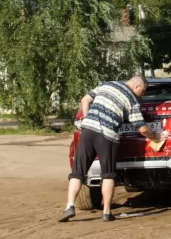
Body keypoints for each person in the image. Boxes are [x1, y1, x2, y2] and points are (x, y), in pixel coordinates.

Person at [58, 75, 165, 222]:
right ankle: (107, 212)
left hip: (88, 130)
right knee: (108, 174)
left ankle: (69, 206)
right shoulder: (131, 99)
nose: (142, 95)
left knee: (77, 172)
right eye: (143, 91)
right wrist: (155, 137)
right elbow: (142, 128)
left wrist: (88, 119)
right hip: (107, 135)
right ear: (137, 87)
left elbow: (85, 100)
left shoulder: (106, 84)